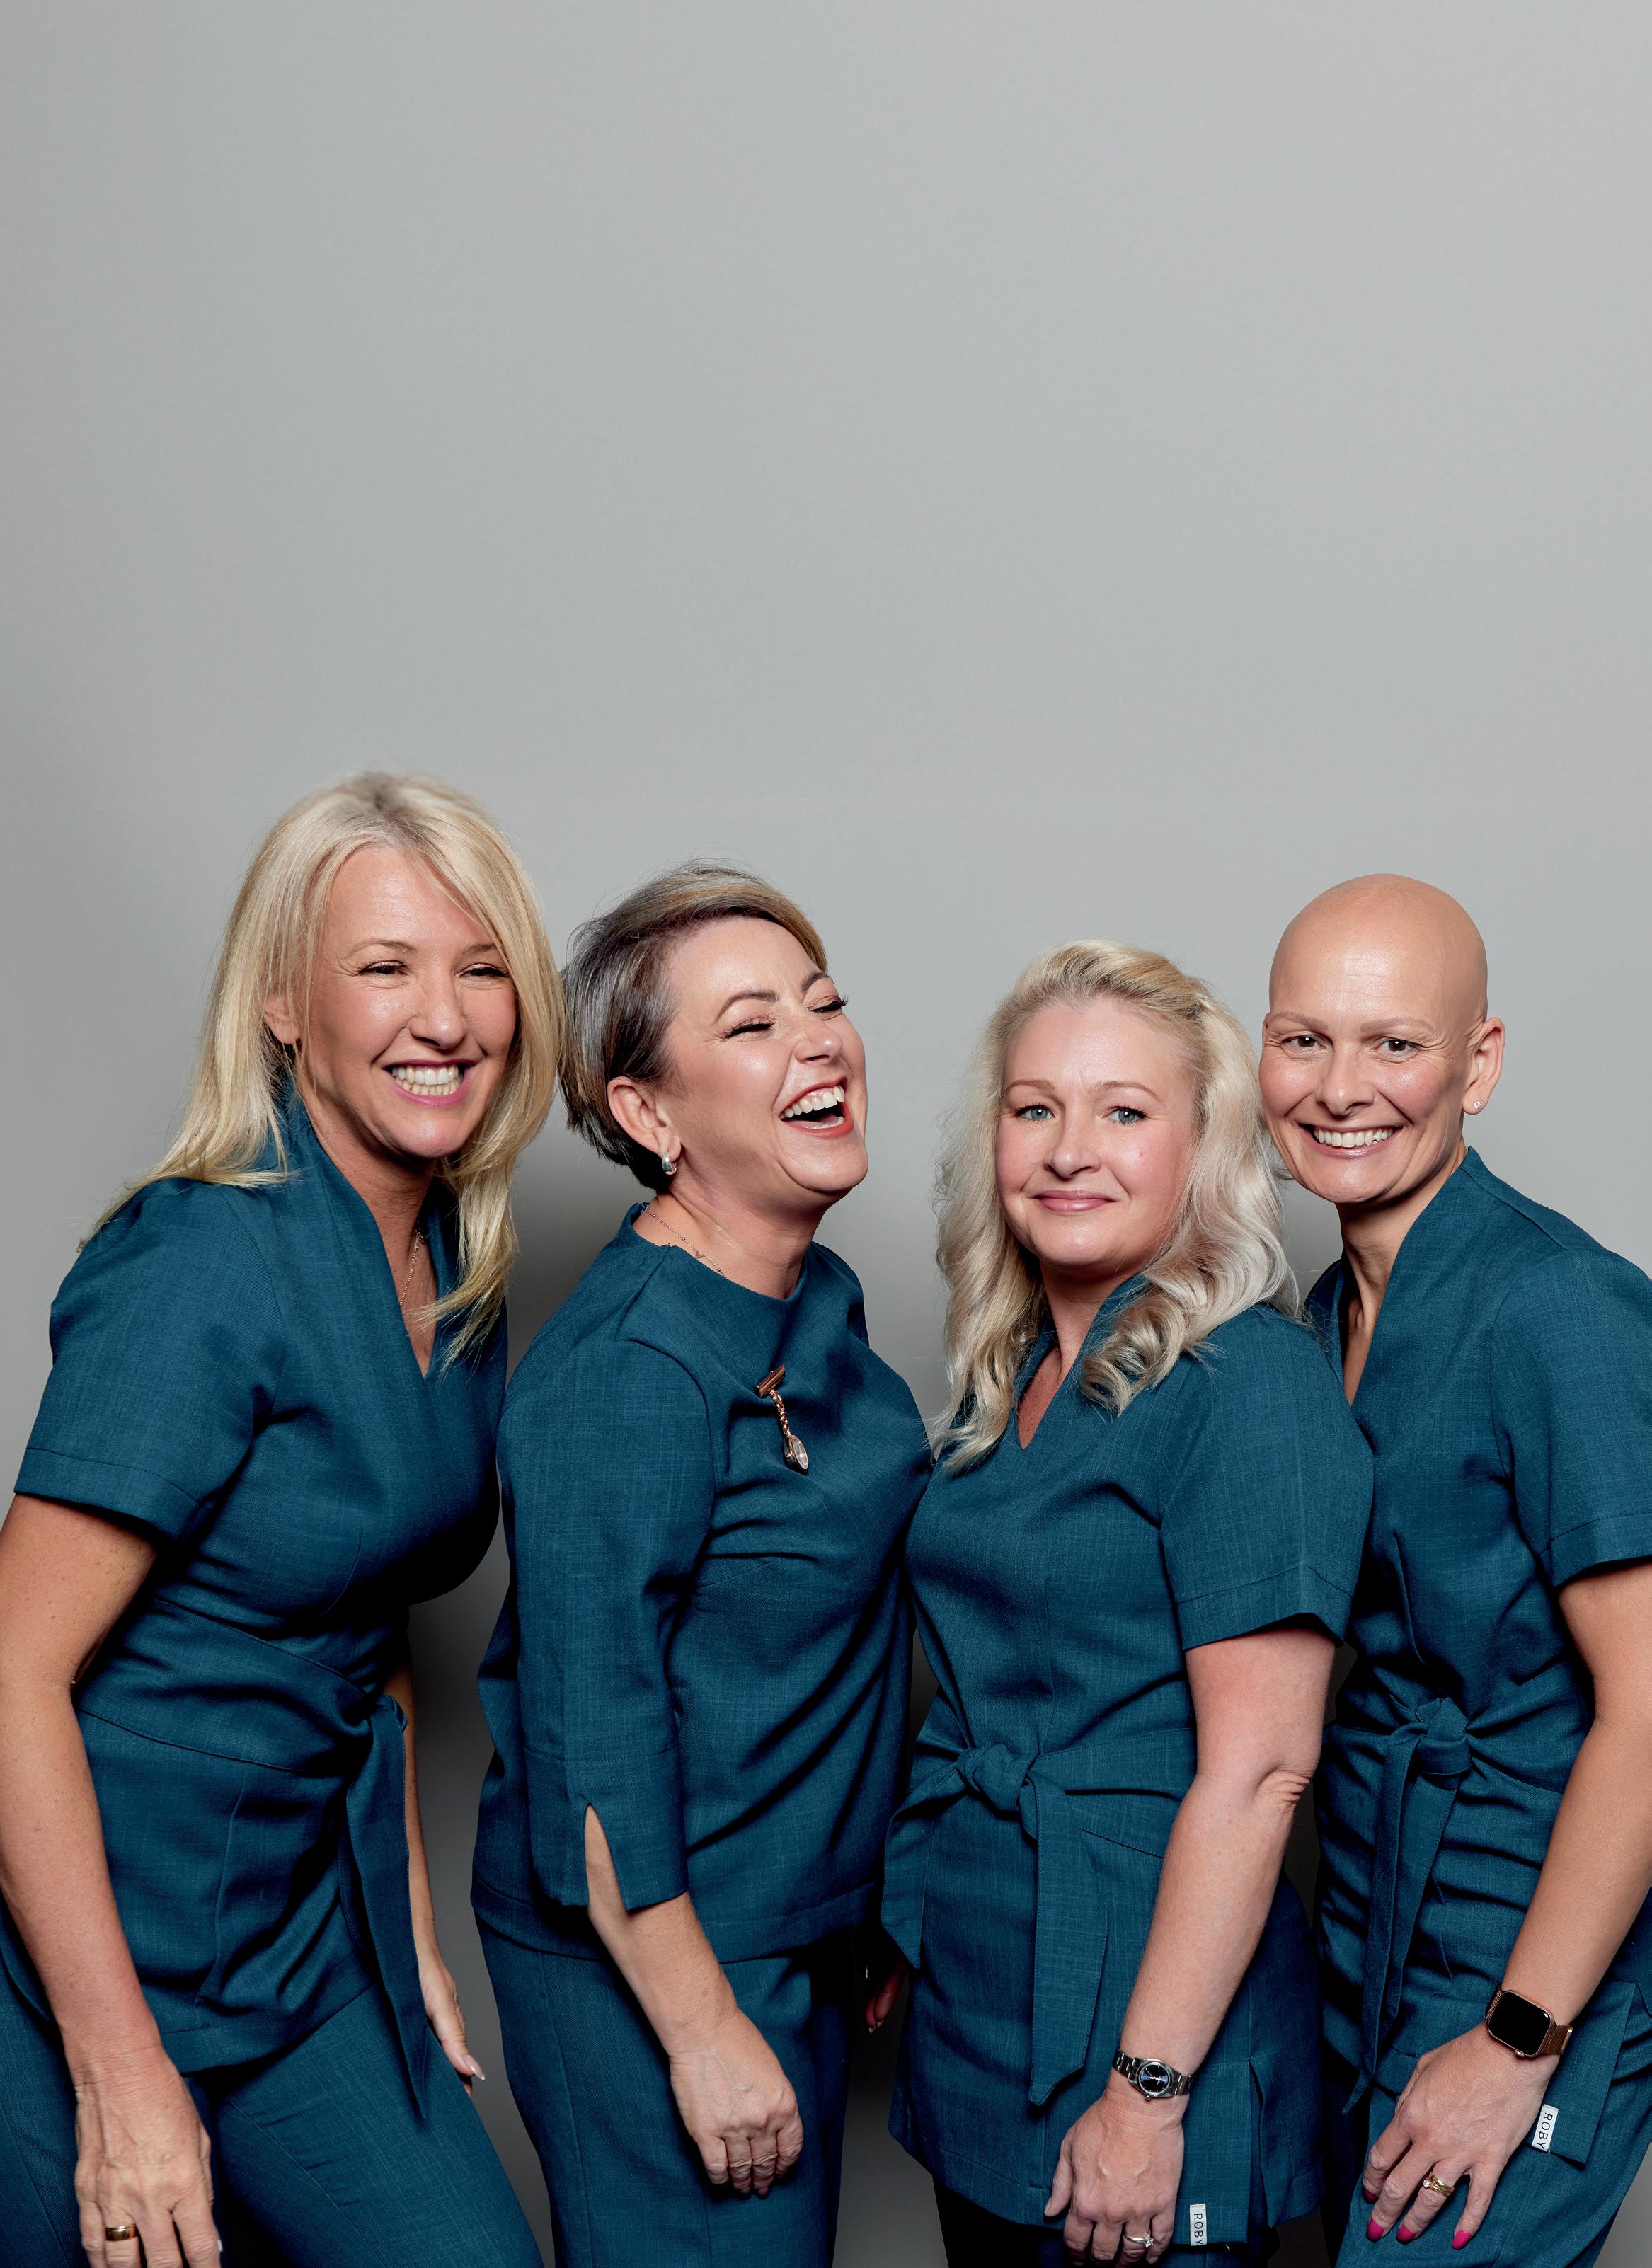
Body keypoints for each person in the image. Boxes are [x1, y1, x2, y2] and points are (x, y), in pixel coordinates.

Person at [0, 773, 561, 2268]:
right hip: (74, 1938)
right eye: (385, 967)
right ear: (283, 1005)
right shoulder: (202, 1258)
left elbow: (364, 1607)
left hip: (295, 1926)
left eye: (481, 968)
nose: (444, 1017)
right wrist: (121, 2070)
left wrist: (407, 1925)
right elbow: (9, 1670)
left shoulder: (458, 1256)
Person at [885, 940, 1372, 2267]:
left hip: (1148, 2020)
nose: (1066, 1150)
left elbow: (1262, 1773)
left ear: (1200, 1148)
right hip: (986, 1990)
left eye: (1122, 1111)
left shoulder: (1247, 1386)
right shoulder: (1009, 1374)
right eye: (1034, 1107)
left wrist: (1147, 2094)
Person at [471, 861, 930, 2268]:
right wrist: (700, 2027)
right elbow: (591, 1745)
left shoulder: (815, 1298)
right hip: (658, 1958)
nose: (818, 1042)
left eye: (823, 1002)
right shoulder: (623, 1371)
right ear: (649, 1113)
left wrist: (862, 1892)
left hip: (794, 1931)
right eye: (751, 1024)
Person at [1262, 875, 1652, 2268]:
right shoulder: (1319, 1317)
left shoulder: (1561, 1307)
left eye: (1394, 1042)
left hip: (1536, 1934)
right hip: (1370, 1906)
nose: (1340, 1087)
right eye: (1303, 1040)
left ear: (1476, 1065)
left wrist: (1516, 2038)